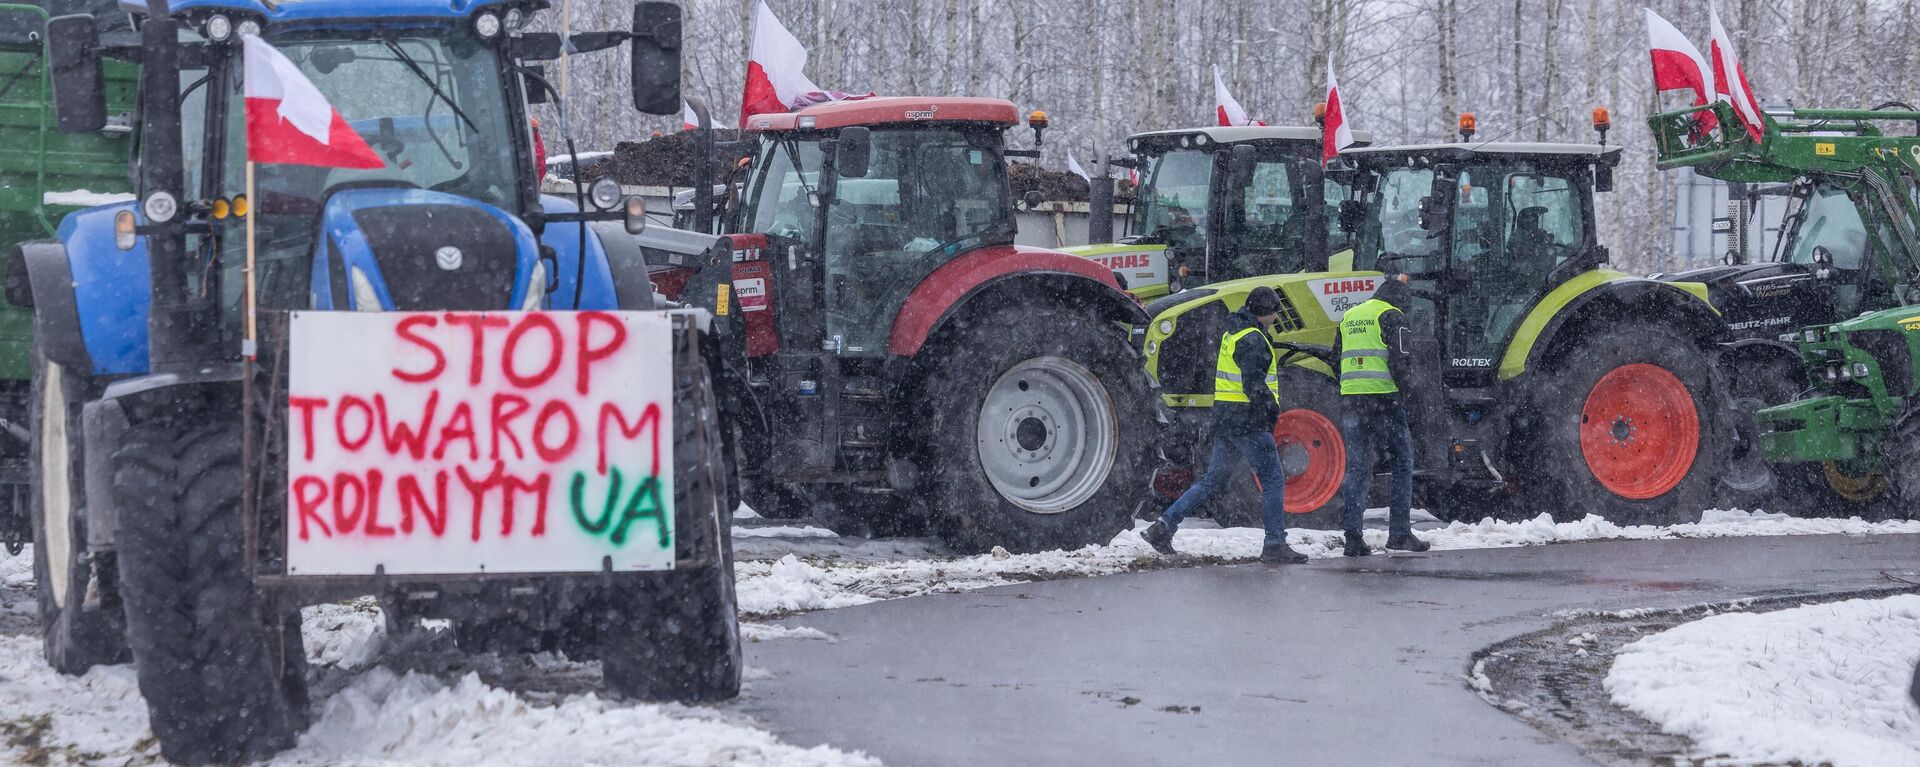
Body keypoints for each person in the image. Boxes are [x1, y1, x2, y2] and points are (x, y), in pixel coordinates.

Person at [1141, 286, 1312, 564]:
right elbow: (1253, 385)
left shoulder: (1233, 331)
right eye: (1276, 311)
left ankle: (1163, 527)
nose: (1278, 316)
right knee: (1272, 480)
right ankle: (1275, 543)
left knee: (1212, 481)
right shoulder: (1254, 339)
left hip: (1225, 419)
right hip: (1249, 421)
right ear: (1267, 313)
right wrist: (1271, 410)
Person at [1335, 273, 1430, 556]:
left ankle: (1353, 537)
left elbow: (1334, 356)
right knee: (1402, 462)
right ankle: (1399, 533)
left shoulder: (1350, 315)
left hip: (1352, 400)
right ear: (1400, 300)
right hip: (1384, 400)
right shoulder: (1393, 316)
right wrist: (1409, 398)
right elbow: (1402, 361)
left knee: (1357, 468)